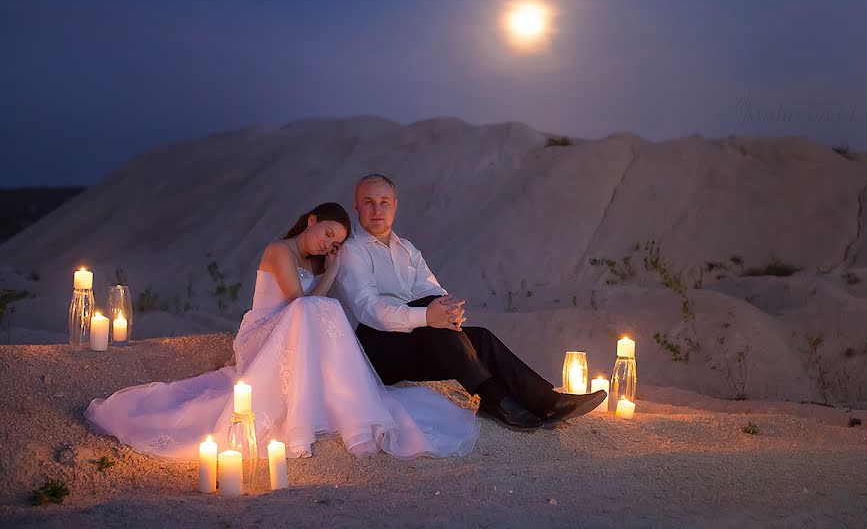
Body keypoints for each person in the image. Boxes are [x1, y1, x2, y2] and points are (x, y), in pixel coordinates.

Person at [85, 202, 479, 461]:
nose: (329, 245)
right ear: (311, 221)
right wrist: (334, 273)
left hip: (296, 328)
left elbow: (313, 305)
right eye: (328, 234)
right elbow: (296, 300)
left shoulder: (316, 262)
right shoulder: (279, 250)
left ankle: (344, 404)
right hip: (265, 331)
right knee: (316, 307)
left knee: (322, 308)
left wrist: (331, 270)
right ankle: (311, 423)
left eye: (337, 243)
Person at [335, 175, 606, 431]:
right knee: (433, 315)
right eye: (368, 202)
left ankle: (546, 401)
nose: (377, 209)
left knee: (481, 338)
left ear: (395, 206)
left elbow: (430, 287)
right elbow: (368, 309)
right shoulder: (352, 251)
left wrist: (448, 312)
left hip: (417, 341)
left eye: (384, 202)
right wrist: (428, 317)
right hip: (375, 349)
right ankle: (492, 397)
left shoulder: (406, 248)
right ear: (357, 206)